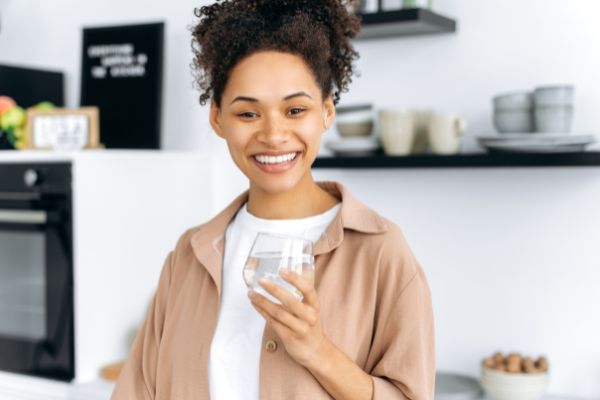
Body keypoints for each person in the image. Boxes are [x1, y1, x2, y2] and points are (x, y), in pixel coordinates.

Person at [110, 0, 435, 399]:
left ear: (327, 112)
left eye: (295, 110)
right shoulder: (189, 256)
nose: (274, 134)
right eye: (248, 114)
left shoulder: (381, 252)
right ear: (217, 118)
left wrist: (318, 351)